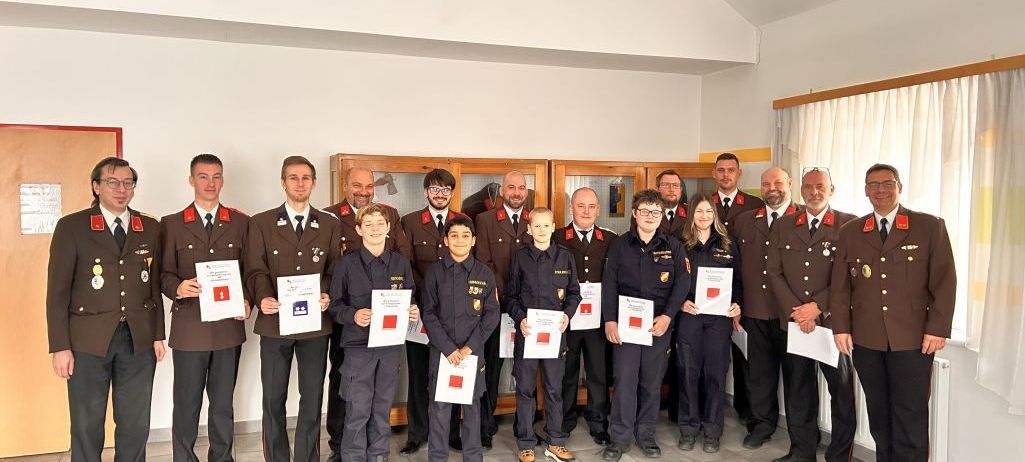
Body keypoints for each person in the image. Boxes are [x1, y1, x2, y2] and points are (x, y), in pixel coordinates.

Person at [830, 164, 956, 462]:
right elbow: (841, 287)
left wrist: (937, 328)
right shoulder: (851, 232)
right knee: (879, 413)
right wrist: (841, 328)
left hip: (912, 339)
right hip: (867, 339)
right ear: (865, 191)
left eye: (887, 183)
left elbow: (944, 281)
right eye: (873, 185)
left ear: (900, 187)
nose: (880, 190)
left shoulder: (928, 226)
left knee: (910, 415)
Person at [46, 156, 165, 462]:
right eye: (112, 182)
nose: (121, 189)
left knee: (136, 424)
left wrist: (157, 335)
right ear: (96, 186)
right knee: (87, 425)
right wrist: (60, 346)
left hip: (137, 339)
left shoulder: (148, 227)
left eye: (128, 182)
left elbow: (153, 286)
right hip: (87, 342)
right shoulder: (72, 227)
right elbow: (57, 293)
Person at [244, 155, 341, 462]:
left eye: (306, 178)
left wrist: (326, 293)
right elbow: (255, 268)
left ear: (314, 182)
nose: (300, 183)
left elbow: (334, 270)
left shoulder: (328, 223)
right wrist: (262, 298)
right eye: (293, 178)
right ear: (283, 182)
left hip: (314, 325)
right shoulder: (261, 222)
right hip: (274, 324)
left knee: (311, 398)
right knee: (273, 398)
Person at [159, 154, 250, 462]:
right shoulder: (171, 224)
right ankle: (183, 458)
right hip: (189, 329)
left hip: (227, 328)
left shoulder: (241, 222)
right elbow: (163, 273)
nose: (210, 183)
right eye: (203, 176)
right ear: (191, 180)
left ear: (223, 180)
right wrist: (177, 288)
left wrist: (247, 299)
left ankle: (222, 458)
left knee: (223, 404)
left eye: (216, 177)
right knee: (186, 403)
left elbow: (251, 271)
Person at [767, 167, 857, 462]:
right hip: (795, 324)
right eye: (808, 187)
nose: (813, 192)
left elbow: (850, 276)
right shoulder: (785, 224)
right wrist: (798, 312)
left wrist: (818, 306)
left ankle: (839, 455)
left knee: (841, 395)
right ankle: (801, 451)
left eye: (820, 186)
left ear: (831, 189)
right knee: (798, 390)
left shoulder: (848, 225)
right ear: (800, 189)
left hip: (833, 325)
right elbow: (774, 272)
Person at [322, 166, 410, 460]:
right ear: (358, 230)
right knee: (357, 410)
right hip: (358, 346)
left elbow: (408, 297)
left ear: (388, 228)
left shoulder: (399, 264)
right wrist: (353, 316)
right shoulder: (346, 264)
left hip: (389, 347)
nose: (375, 228)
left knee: (381, 408)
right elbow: (335, 305)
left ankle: (378, 456)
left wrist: (411, 310)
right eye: (368, 224)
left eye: (379, 223)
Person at [600, 189, 690, 462]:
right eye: (645, 211)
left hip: (657, 327)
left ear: (661, 215)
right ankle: (620, 437)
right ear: (635, 214)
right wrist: (610, 320)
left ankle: (647, 435)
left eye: (656, 212)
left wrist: (668, 317)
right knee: (625, 381)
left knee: (651, 383)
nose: (650, 217)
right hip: (625, 328)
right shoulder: (619, 245)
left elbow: (682, 284)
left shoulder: (673, 246)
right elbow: (610, 283)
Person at [420, 215, 500, 462]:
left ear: (474, 240)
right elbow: (428, 313)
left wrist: (469, 348)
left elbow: (491, 314)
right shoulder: (434, 272)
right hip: (443, 354)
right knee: (440, 409)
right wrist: (447, 349)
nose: (460, 240)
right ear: (445, 240)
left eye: (466, 236)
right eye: (454, 235)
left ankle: (473, 457)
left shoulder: (484, 273)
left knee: (472, 408)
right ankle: (437, 458)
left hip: (471, 355)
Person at [397, 168, 464, 454]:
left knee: (451, 373)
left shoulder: (463, 222)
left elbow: (465, 264)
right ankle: (417, 432)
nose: (440, 195)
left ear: (451, 193)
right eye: (434, 190)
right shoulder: (410, 222)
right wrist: (425, 297)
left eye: (445, 190)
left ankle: (451, 433)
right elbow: (405, 264)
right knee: (419, 374)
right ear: (425, 192)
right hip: (419, 313)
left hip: (453, 315)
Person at [506, 207, 581, 462]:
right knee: (525, 390)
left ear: (553, 226)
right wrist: (520, 318)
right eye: (536, 226)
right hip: (527, 334)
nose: (541, 230)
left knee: (554, 389)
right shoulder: (519, 258)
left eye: (545, 225)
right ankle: (526, 442)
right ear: (529, 229)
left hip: (555, 336)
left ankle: (555, 441)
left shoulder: (565, 256)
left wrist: (567, 315)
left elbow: (574, 293)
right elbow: (511, 297)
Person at [732, 166, 798, 449]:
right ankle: (762, 426)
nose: (772, 188)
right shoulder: (745, 221)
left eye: (778, 182)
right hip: (755, 312)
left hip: (793, 316)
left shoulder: (805, 218)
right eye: (766, 183)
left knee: (797, 380)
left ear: (789, 184)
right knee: (759, 376)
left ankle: (802, 437)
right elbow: (734, 268)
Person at [674, 193, 743, 453]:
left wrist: (738, 304)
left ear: (715, 215)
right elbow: (669, 279)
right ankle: (689, 429)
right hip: (689, 316)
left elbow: (738, 280)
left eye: (709, 212)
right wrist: (680, 303)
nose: (704, 217)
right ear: (691, 214)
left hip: (718, 319)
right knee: (688, 373)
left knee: (715, 374)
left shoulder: (727, 243)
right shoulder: (680, 243)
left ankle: (713, 431)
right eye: (699, 212)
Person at [473, 170, 532, 449]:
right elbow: (483, 262)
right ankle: (486, 425)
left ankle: (526, 426)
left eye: (521, 187)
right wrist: (504, 296)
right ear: (502, 191)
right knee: (492, 368)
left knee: (525, 369)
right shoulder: (484, 220)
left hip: (527, 310)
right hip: (495, 306)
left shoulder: (536, 221)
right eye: (511, 187)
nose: (517, 192)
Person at [555, 187, 617, 446]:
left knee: (598, 373)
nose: (586, 211)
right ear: (571, 208)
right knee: (566, 373)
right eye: (581, 206)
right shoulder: (558, 237)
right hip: (566, 319)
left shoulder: (611, 239)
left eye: (592, 206)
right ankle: (565, 421)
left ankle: (598, 422)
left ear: (598, 210)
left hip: (597, 321)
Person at [710, 152, 764, 429]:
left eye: (731, 170)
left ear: (739, 173)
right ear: (714, 173)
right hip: (709, 291)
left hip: (744, 287)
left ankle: (748, 411)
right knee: (713, 354)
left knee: (746, 356)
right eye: (721, 170)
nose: (726, 175)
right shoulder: (704, 203)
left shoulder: (755, 204)